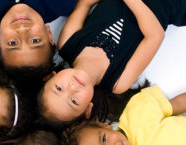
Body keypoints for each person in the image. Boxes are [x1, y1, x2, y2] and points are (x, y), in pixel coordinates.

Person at [39, 0, 186, 124]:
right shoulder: (117, 82)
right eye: (74, 101)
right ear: (88, 109)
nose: (72, 89)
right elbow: (155, 35)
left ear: (51, 76)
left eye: (59, 88)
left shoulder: (67, 44)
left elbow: (84, 4)